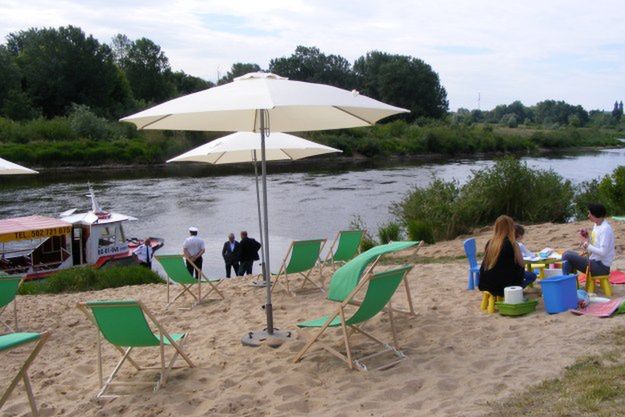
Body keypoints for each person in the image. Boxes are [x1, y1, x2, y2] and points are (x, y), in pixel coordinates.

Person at [478, 215, 536, 296]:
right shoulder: (513, 244)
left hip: (486, 284)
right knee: (532, 276)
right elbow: (522, 264)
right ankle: (516, 292)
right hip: (505, 286)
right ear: (511, 228)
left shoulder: (490, 243)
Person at [562, 203, 614, 277]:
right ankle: (570, 283)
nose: (588, 216)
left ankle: (566, 282)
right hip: (594, 261)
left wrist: (587, 245)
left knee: (567, 256)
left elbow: (603, 252)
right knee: (566, 253)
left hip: (601, 267)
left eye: (589, 213)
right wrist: (587, 237)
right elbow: (593, 247)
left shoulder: (605, 229)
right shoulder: (597, 225)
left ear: (595, 214)